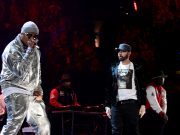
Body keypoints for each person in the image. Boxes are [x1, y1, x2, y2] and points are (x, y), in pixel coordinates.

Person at [0, 21, 50, 135]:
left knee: (43, 125)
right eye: (29, 35)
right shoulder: (11, 49)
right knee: (15, 122)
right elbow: (20, 72)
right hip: (13, 86)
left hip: (31, 89)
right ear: (22, 34)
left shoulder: (35, 50)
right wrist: (30, 51)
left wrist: (39, 89)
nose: (32, 38)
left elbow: (37, 71)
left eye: (35, 36)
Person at [104, 43, 146, 135]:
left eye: (122, 51)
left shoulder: (137, 68)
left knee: (133, 131)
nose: (120, 53)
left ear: (129, 53)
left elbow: (142, 87)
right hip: (116, 105)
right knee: (115, 131)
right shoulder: (114, 67)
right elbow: (108, 87)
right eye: (119, 51)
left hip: (132, 104)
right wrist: (107, 105)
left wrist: (143, 104)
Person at [140, 70, 168, 135]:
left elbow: (164, 103)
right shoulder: (150, 87)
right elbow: (153, 103)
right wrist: (162, 114)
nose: (163, 79)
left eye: (163, 78)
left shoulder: (163, 90)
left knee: (162, 121)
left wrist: (163, 113)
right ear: (156, 79)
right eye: (161, 78)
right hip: (149, 111)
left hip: (156, 112)